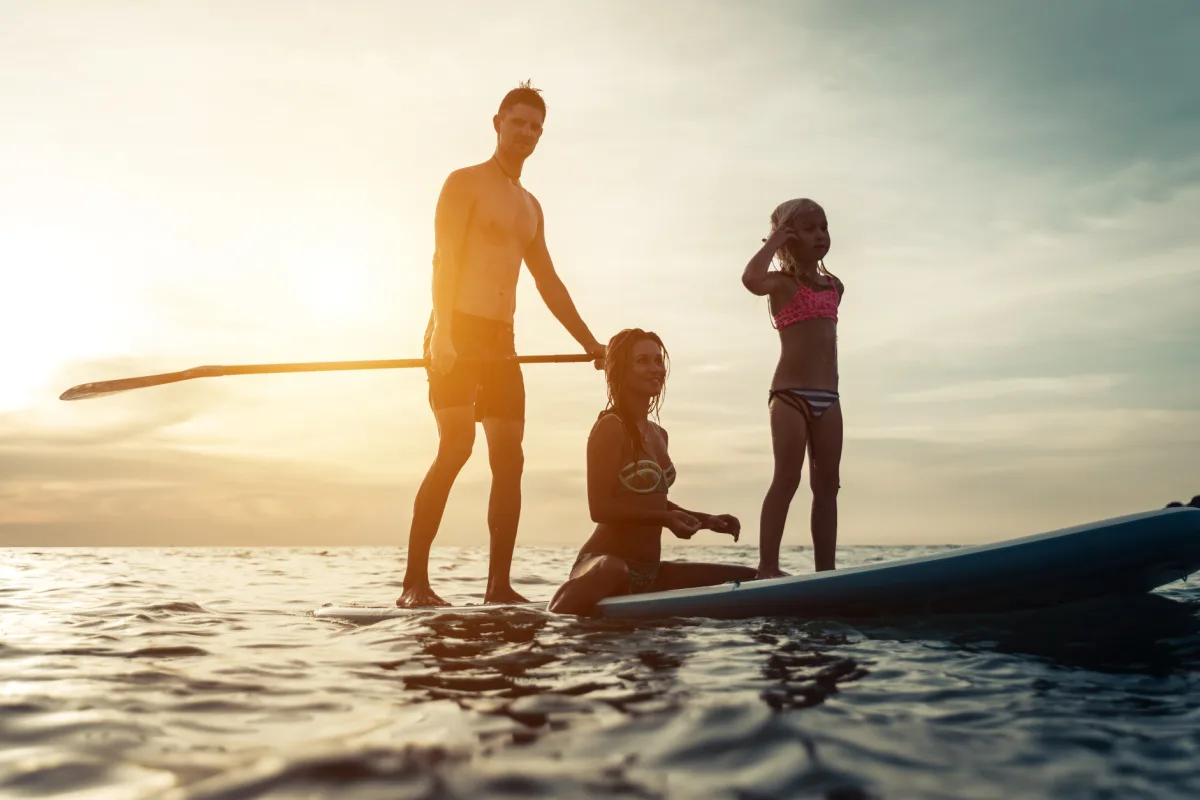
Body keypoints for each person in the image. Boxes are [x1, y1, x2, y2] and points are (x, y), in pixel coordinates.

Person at [398, 82, 607, 608]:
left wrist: (591, 343)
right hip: (455, 329)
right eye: (518, 122)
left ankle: (498, 587)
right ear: (497, 123)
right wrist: (443, 333)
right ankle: (414, 584)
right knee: (456, 448)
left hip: (500, 340)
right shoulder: (463, 183)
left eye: (535, 127)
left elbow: (548, 283)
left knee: (508, 459)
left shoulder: (531, 207)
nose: (527, 133)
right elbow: (443, 259)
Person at [548, 329, 755, 616]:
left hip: (649, 573)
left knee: (748, 577)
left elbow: (652, 502)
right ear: (621, 370)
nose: (655, 369)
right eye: (642, 361)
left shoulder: (660, 434)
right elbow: (600, 508)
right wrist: (665, 519)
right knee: (612, 569)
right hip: (601, 565)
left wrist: (706, 520)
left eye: (658, 360)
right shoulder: (610, 426)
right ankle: (551, 620)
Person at [741, 198, 844, 576]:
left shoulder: (835, 286)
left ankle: (826, 572)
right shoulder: (780, 284)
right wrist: (772, 242)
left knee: (828, 485)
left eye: (823, 227)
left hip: (828, 399)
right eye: (809, 228)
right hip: (790, 397)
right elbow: (750, 278)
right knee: (787, 478)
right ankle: (767, 567)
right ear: (788, 237)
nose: (820, 235)